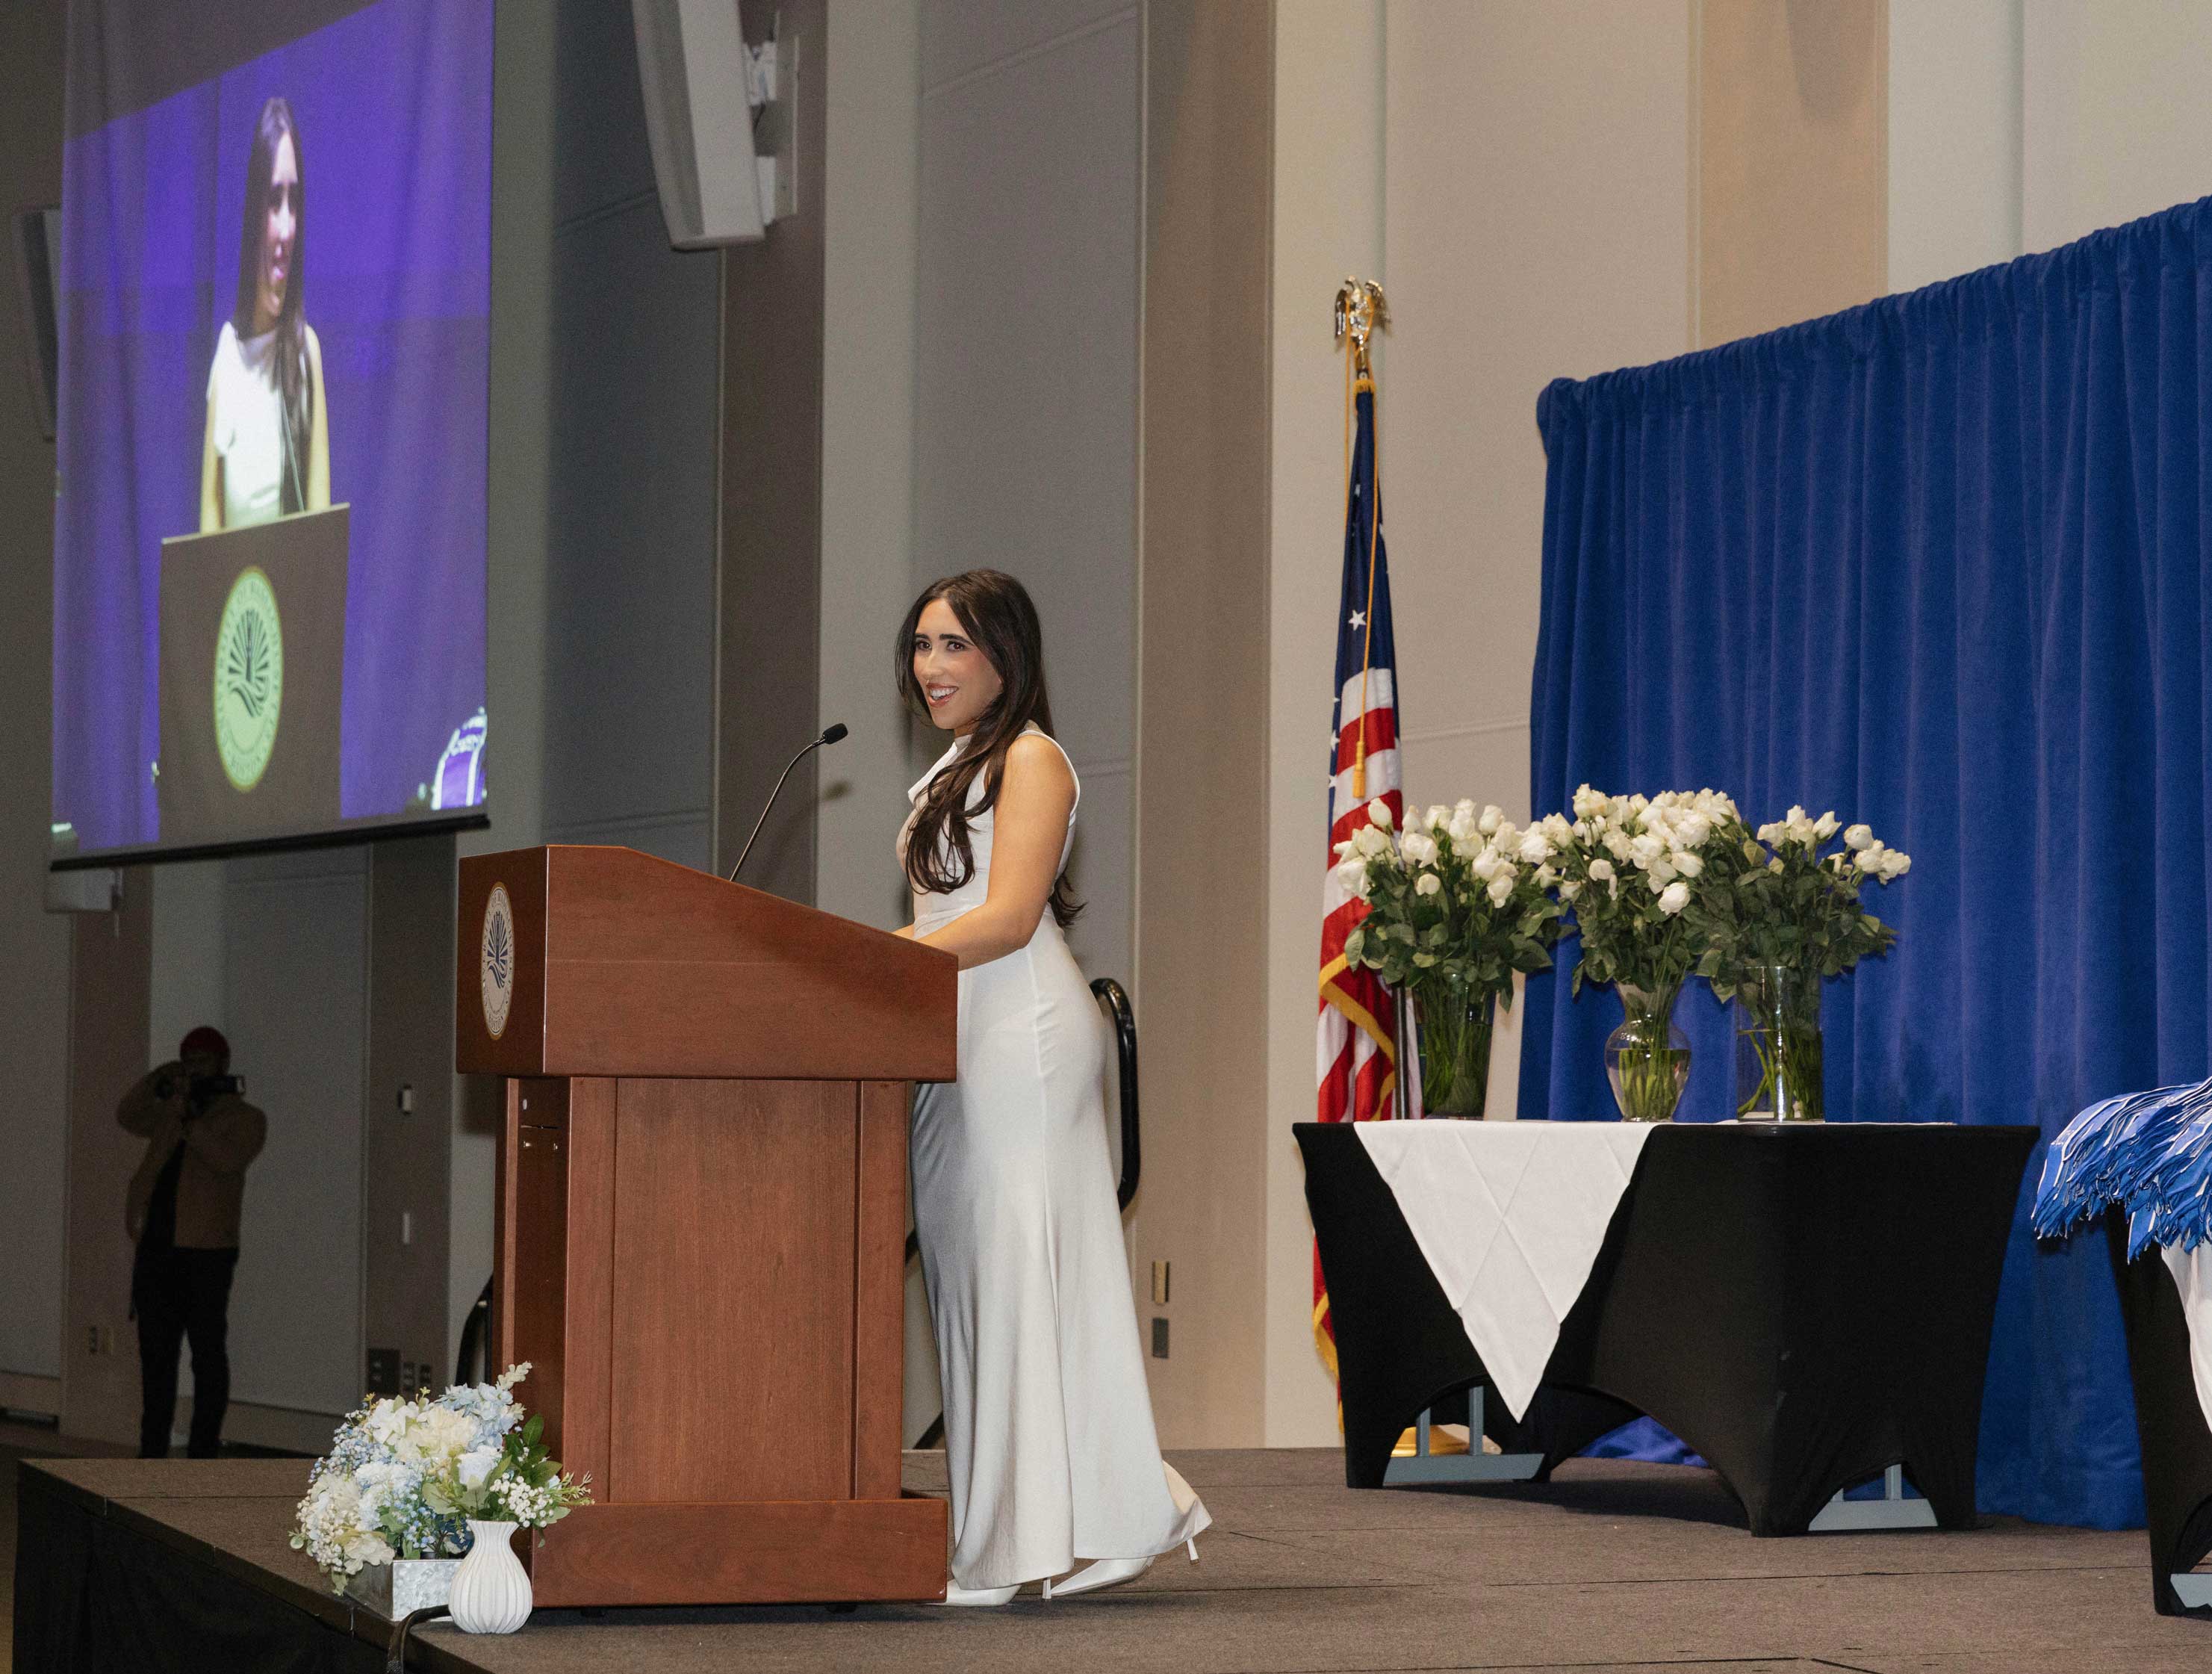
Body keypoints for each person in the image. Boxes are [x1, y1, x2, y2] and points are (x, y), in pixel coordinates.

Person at [897, 568, 1209, 1605]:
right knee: (984, 1289)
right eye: (921, 644)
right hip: (955, 1038)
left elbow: (1005, 917)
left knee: (1014, 1284)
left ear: (1005, 657)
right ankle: (1129, 1510)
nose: (930, 665)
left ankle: (1006, 1549)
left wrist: (871, 959)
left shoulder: (1032, 758)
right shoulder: (953, 768)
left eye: (953, 644)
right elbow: (945, 921)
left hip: (1020, 1040)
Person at [118, 1026, 267, 1459]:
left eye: (202, 1059)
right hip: (156, 1249)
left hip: (207, 1253)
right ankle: (152, 1451)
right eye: (187, 1060)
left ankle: (203, 1452)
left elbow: (227, 1160)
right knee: (156, 1356)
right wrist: (159, 1081)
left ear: (223, 1063)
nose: (194, 1067)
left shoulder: (245, 1118)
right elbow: (127, 1115)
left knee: (206, 1354)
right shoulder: (169, 1111)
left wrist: (189, 1121)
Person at [199, 95, 329, 532]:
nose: (287, 228)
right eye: (275, 201)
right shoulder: (227, 359)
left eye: (295, 201)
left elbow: (321, 542)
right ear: (254, 210)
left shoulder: (306, 355)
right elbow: (207, 538)